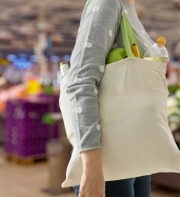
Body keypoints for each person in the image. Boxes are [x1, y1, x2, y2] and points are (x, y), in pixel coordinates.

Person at [62, 0, 156, 196]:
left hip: (134, 151)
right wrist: (93, 170)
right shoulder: (107, 3)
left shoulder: (127, 9)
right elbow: (80, 83)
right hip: (108, 160)